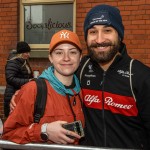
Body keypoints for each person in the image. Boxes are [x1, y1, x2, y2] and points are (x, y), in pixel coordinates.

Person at [76, 4, 150, 149]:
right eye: (92, 32)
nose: (99, 39)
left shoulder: (141, 76)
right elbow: (54, 78)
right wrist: (28, 91)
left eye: (107, 30)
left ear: (120, 35)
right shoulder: (81, 69)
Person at [2, 29, 84, 145]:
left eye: (72, 52)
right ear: (50, 57)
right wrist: (44, 130)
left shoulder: (84, 90)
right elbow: (8, 133)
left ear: (80, 57)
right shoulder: (33, 90)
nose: (66, 58)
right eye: (59, 52)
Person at [3, 41, 33, 117]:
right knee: (13, 119)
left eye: (29, 52)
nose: (28, 55)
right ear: (21, 53)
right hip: (12, 95)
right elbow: (10, 78)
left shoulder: (24, 61)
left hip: (20, 94)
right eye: (26, 52)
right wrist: (28, 81)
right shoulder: (13, 62)